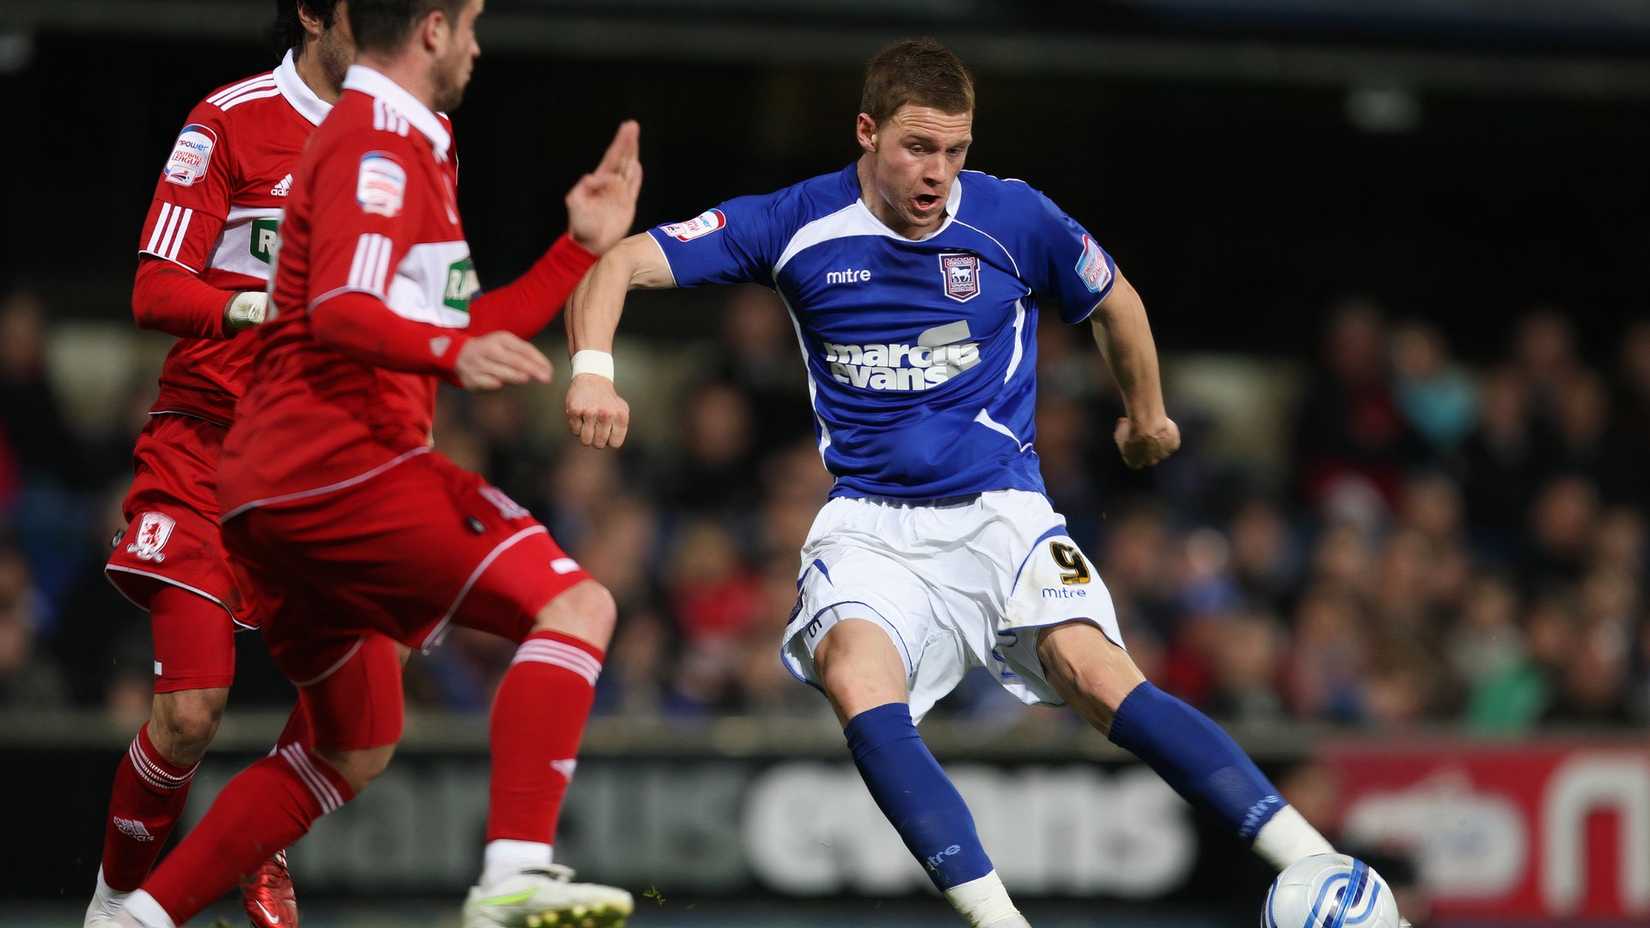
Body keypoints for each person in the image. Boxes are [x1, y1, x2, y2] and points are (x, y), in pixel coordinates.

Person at [567, 37, 1368, 928]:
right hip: (869, 523)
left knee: (1096, 675)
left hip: (1001, 510)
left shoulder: (1012, 217)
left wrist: (1146, 416)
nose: (937, 173)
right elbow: (618, 264)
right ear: (866, 132)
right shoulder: (795, 222)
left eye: (955, 150)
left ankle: (1327, 872)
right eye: (918, 147)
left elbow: (1116, 302)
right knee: (855, 674)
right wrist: (593, 371)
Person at [112, 0, 641, 925]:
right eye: (469, 24)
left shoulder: (415, 139)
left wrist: (576, 252)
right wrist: (444, 355)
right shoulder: (367, 142)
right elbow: (345, 314)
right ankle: (514, 874)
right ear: (431, 31)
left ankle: (133, 920)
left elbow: (450, 318)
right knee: (577, 604)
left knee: (355, 743)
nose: (478, 45)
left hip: (286, 476)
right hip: (328, 466)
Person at [88, 4, 352, 925]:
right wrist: (251, 309)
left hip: (325, 464)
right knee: (190, 713)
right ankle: (113, 906)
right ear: (313, 13)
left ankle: (259, 833)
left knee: (368, 679)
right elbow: (154, 287)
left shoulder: (422, 133)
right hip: (208, 446)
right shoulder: (230, 120)